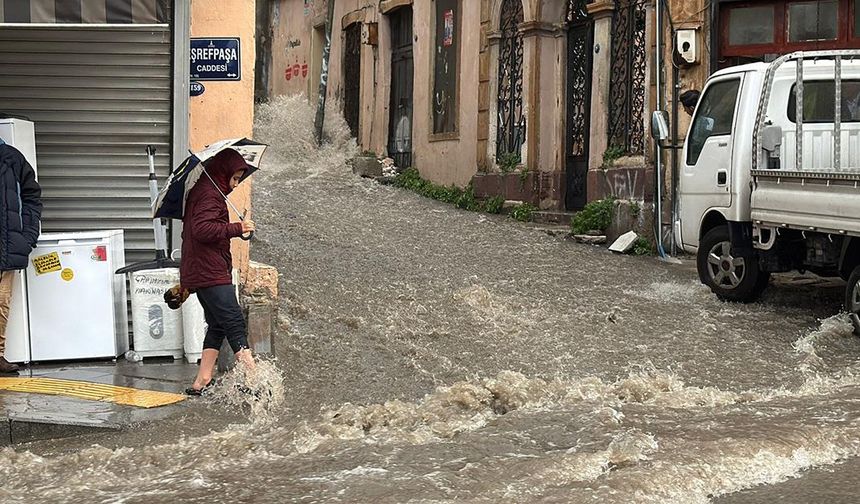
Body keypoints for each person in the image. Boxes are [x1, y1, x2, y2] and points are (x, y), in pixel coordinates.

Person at [182, 148, 256, 395]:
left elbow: (206, 228)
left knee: (217, 324)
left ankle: (202, 380)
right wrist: (236, 227)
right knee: (234, 321)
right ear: (222, 172)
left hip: (206, 269)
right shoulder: (208, 195)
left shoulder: (207, 193)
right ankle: (254, 378)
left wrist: (237, 229)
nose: (235, 185)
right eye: (234, 178)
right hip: (209, 271)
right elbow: (202, 230)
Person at [0, 139, 42, 374]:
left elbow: (32, 198)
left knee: (1, 303)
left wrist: (26, 236)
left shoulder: (11, 157)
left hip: (6, 244)